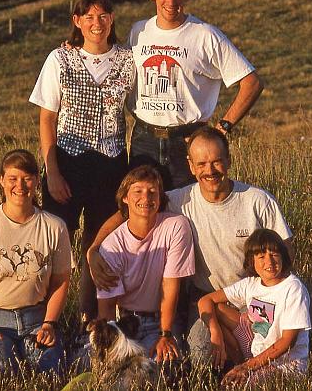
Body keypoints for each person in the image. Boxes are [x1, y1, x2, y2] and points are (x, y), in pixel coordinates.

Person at [88, 126, 293, 365]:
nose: (210, 171)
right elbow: (130, 212)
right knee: (200, 354)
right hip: (206, 300)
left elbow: (286, 255)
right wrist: (94, 249)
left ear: (229, 160)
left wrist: (278, 300)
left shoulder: (257, 201)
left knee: (275, 357)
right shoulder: (179, 200)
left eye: (217, 162)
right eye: (202, 164)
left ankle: (247, 363)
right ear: (191, 166)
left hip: (255, 299)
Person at [29, 0, 135, 321]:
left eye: (102, 16)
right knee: (56, 243)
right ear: (77, 21)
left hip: (111, 163)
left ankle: (94, 321)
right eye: (88, 17)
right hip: (68, 162)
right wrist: (53, 171)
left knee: (100, 244)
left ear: (112, 19)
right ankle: (48, 321)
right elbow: (47, 118)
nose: (96, 23)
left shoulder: (129, 60)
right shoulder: (59, 59)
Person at [126, 0, 264, 191]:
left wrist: (222, 129)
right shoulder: (138, 31)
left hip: (188, 142)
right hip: (143, 140)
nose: (171, 1)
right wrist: (74, 44)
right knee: (144, 213)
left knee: (189, 213)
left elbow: (252, 83)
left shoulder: (206, 35)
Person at [0, 149, 73, 374]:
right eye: (12, 179)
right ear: (1, 180)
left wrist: (49, 324)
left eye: (27, 179)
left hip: (37, 320)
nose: (20, 186)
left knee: (51, 371)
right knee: (2, 372)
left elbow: (61, 281)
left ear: (36, 182)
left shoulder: (54, 227)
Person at [96, 165, 194, 362]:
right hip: (126, 322)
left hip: (161, 320)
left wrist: (165, 334)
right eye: (138, 191)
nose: (146, 199)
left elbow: (170, 285)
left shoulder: (176, 226)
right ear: (125, 198)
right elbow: (106, 306)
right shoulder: (112, 246)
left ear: (160, 197)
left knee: (162, 364)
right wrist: (110, 348)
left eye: (152, 192)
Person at [197, 229, 311, 385]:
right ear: (252, 261)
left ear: (283, 257)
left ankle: (240, 371)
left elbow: (287, 342)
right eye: (262, 257)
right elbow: (205, 300)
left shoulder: (293, 288)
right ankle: (236, 364)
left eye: (274, 255)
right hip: (255, 350)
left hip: (285, 365)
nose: (269, 262)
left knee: (236, 385)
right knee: (217, 310)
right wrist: (215, 333)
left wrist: (248, 367)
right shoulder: (251, 284)